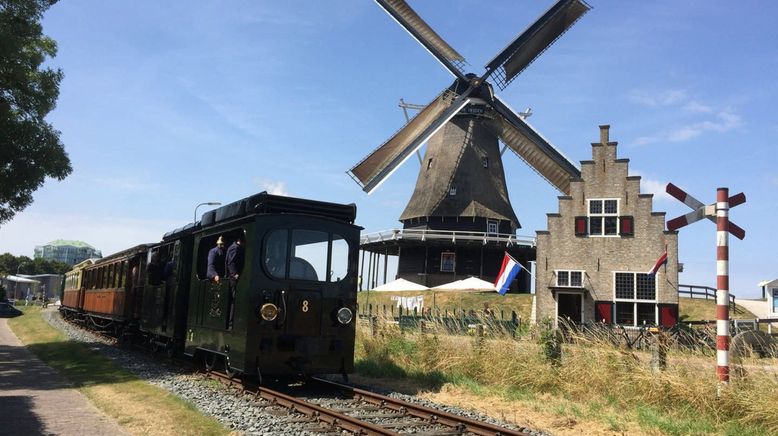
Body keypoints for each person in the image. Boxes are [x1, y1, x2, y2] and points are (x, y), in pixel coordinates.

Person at [225, 235, 245, 329]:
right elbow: (231, 262)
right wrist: (234, 274)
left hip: (234, 276)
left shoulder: (235, 247)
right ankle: (231, 322)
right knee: (234, 299)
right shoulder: (235, 248)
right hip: (233, 278)